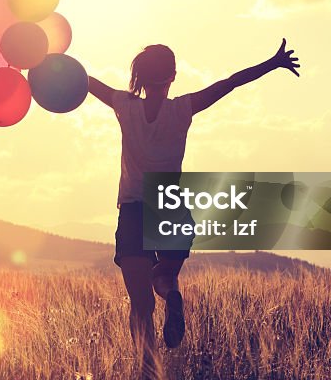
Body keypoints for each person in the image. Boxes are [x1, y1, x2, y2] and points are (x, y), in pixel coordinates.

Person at [87, 39, 300, 350]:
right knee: (164, 279)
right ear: (173, 75)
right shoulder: (182, 109)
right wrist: (272, 63)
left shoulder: (124, 105)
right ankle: (172, 297)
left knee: (141, 304)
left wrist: (42, 57)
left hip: (134, 210)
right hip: (170, 210)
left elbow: (87, 82)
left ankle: (148, 374)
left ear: (140, 78)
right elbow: (230, 83)